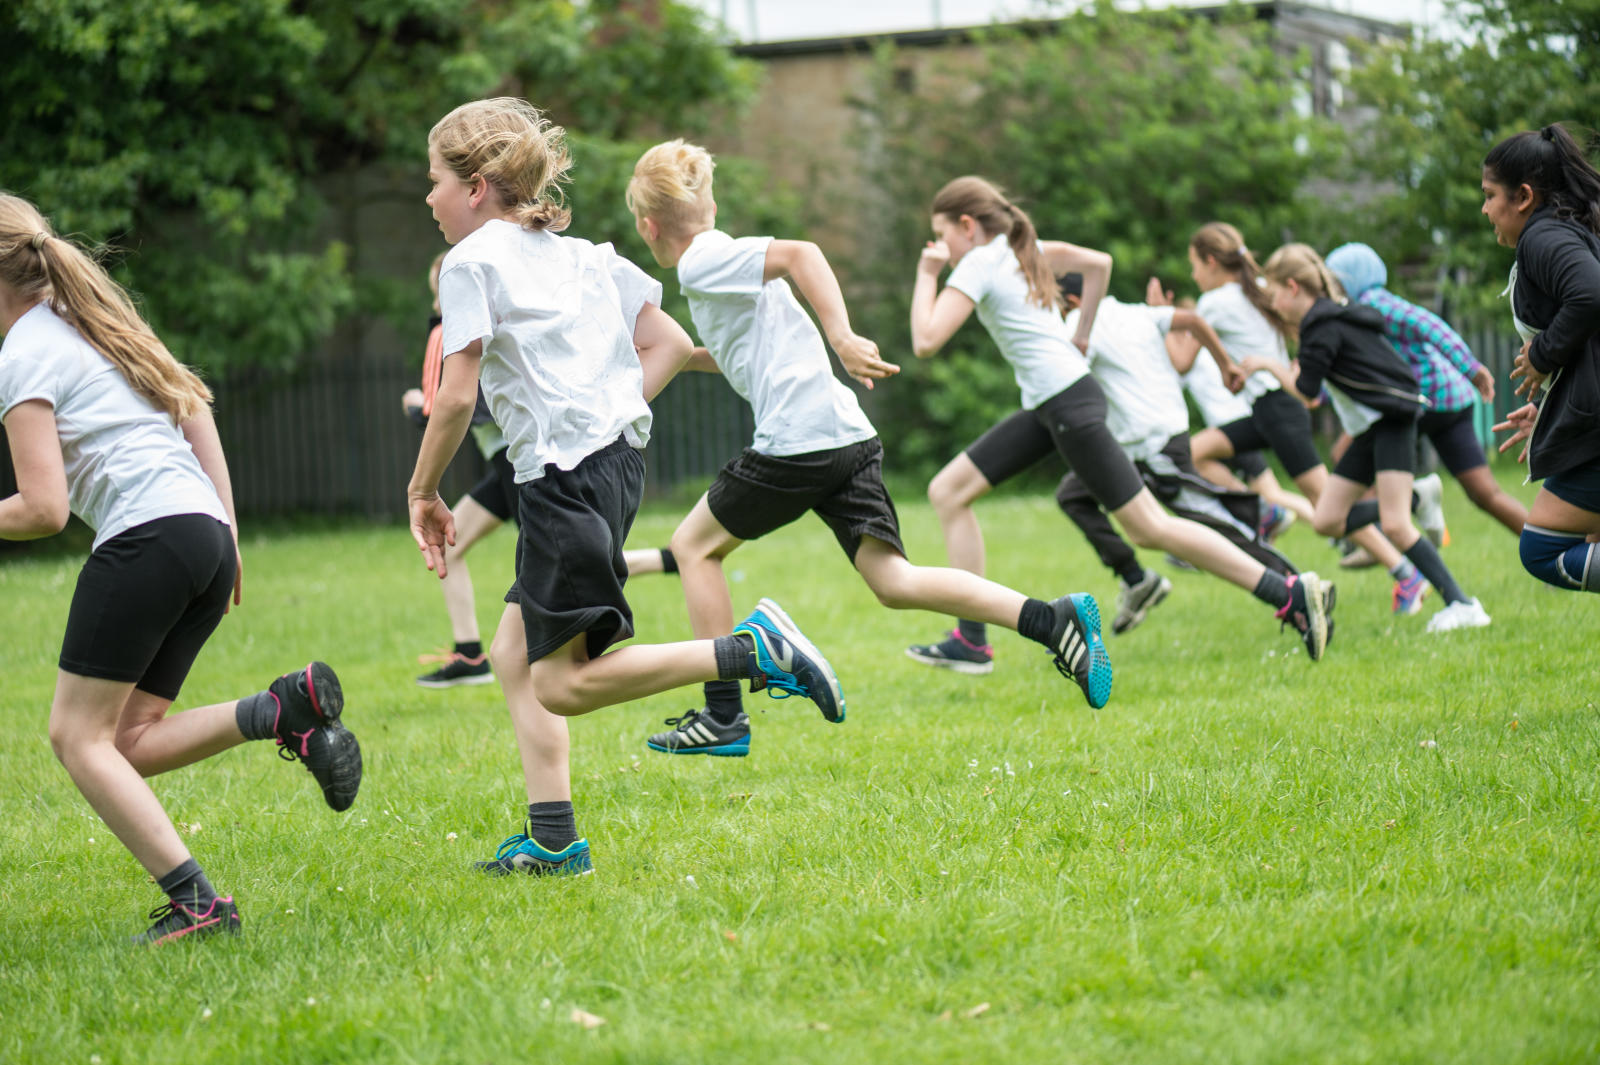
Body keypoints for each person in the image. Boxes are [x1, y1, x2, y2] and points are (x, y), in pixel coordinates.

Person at [409, 99, 846, 877]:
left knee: (563, 684)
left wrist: (422, 491)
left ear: (477, 186)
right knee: (513, 653)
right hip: (612, 470)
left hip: (561, 480)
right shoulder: (583, 255)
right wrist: (605, 416)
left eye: (435, 181)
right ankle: (552, 839)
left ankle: (749, 651)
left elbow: (453, 397)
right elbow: (671, 342)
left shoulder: (473, 263)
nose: (430, 199)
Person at [624, 140, 1111, 758]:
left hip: (798, 441)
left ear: (648, 226)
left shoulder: (699, 263)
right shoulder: (725, 265)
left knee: (693, 548)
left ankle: (723, 716)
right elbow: (740, 355)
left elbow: (805, 253)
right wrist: (672, 361)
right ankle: (1051, 619)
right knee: (893, 580)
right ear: (710, 203)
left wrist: (843, 336)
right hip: (846, 435)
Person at [0, 194, 362, 945]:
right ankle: (279, 710)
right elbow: (194, 405)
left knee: (76, 737)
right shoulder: (93, 320)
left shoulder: (23, 351)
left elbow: (44, 508)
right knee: (127, 739)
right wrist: (227, 526)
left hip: (146, 538)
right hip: (201, 532)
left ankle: (198, 904)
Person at [906, 177, 1335, 667]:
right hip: (1054, 402)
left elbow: (926, 339)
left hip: (1067, 404)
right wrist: (1082, 336)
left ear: (967, 225)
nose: (943, 248)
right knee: (948, 491)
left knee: (1152, 527)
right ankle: (972, 641)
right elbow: (1098, 265)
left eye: (943, 236)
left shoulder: (983, 260)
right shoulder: (1024, 249)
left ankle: (1288, 594)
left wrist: (927, 273)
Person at [401, 252, 675, 688]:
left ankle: (691, 589)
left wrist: (416, 410)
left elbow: (449, 403)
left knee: (560, 603)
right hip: (518, 464)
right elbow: (673, 344)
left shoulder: (451, 326)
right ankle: (470, 652)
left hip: (531, 465)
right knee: (510, 604)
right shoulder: (572, 269)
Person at [1184, 222, 1426, 613]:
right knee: (1197, 452)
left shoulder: (1215, 301)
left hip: (1278, 408)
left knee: (1326, 501)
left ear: (1211, 263)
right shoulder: (1255, 292)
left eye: (1194, 265)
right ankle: (1263, 510)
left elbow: (1181, 360)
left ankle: (1405, 572)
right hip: (1266, 409)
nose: (1194, 275)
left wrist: (1166, 317)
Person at [1251, 243, 1490, 632]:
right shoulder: (1330, 320)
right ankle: (1417, 497)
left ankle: (1463, 605)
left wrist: (1269, 366)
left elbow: (1306, 390)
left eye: (1275, 293)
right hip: (1371, 427)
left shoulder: (1321, 324)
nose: (1274, 304)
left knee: (1396, 525)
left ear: (1293, 287)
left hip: (1392, 420)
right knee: (1327, 520)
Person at [1051, 273, 1300, 636]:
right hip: (1145, 439)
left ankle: (1293, 585)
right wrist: (1223, 364)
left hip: (1153, 444)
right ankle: (1137, 579)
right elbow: (1195, 320)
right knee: (1073, 494)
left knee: (1210, 523)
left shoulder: (1077, 324)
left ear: (1071, 301)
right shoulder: (1137, 312)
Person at [1325, 242, 1529, 538]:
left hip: (1423, 402)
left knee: (1346, 453)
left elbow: (1430, 325)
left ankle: (1381, 542)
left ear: (1349, 280)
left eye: (1331, 281)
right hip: (1450, 402)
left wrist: (1470, 367)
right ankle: (1554, 552)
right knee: (1485, 494)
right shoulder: (1356, 310)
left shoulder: (1374, 304)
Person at [1483, 124, 1600, 592]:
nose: (1487, 209)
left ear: (1524, 196)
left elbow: (1591, 295)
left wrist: (1544, 355)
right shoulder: (1565, 231)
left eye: (1490, 195)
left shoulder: (1542, 237)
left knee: (1542, 548)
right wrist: (1551, 406)